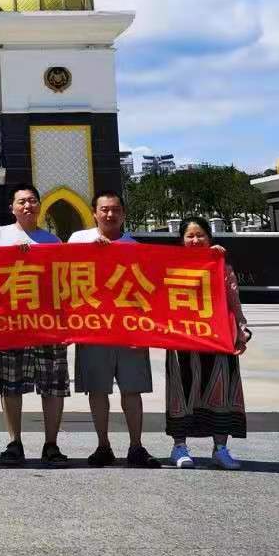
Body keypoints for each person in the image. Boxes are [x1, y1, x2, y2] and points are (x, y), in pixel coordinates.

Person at [68, 192, 159, 468]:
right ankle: (103, 445)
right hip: (93, 331)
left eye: (115, 210)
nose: (110, 214)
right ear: (94, 213)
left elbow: (150, 291)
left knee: (132, 390)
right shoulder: (78, 241)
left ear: (123, 214)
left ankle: (136, 446)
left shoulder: (135, 247)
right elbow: (60, 276)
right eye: (104, 209)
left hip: (129, 332)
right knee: (97, 390)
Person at [0, 185, 68, 465]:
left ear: (40, 205)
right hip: (10, 323)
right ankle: (14, 442)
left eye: (33, 200)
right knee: (11, 385)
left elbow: (63, 283)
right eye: (22, 202)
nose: (28, 206)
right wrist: (11, 257)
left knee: (53, 385)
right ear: (12, 207)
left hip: (47, 324)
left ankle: (51, 444)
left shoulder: (53, 242)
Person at [167, 215, 251, 470]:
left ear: (210, 238)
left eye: (200, 235)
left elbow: (233, 302)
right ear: (181, 241)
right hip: (183, 342)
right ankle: (179, 447)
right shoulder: (170, 266)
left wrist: (242, 329)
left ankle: (220, 448)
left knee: (220, 391)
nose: (195, 240)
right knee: (182, 392)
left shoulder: (222, 267)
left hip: (217, 340)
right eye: (189, 236)